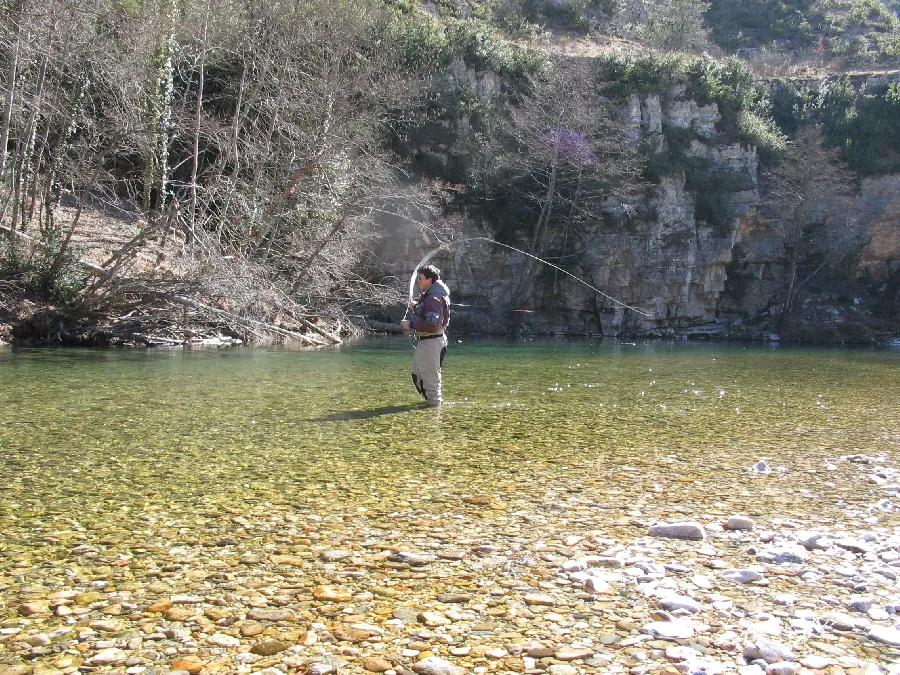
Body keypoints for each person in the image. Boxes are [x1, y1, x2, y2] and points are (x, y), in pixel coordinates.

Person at [400, 265, 450, 406]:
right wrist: (417, 307)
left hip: (432, 343)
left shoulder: (434, 298)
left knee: (430, 379)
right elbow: (429, 314)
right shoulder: (432, 296)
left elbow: (432, 325)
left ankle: (434, 412)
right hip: (427, 342)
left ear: (429, 280)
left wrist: (409, 325)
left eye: (420, 279)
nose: (418, 281)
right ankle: (431, 408)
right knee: (418, 375)